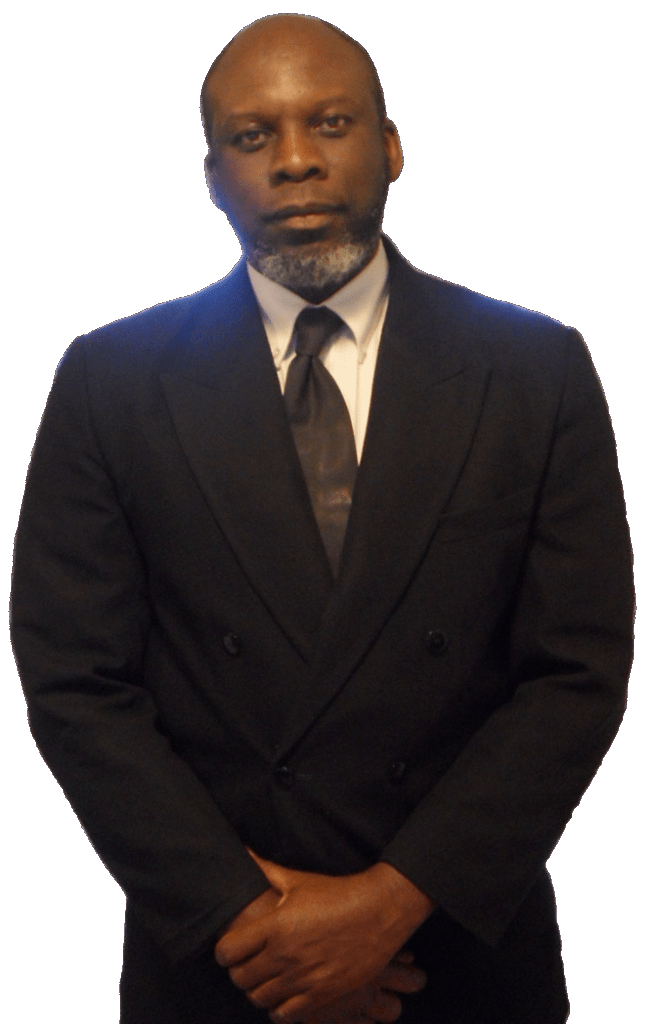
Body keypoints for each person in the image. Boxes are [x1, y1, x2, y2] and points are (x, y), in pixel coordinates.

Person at [11, 13, 634, 1024]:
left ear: (390, 146)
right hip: (224, 964)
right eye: (252, 135)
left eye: (330, 123)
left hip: (458, 952)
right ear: (213, 172)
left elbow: (576, 671)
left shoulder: (535, 371)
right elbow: (75, 681)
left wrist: (385, 908)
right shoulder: (110, 381)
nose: (294, 159)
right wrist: (254, 924)